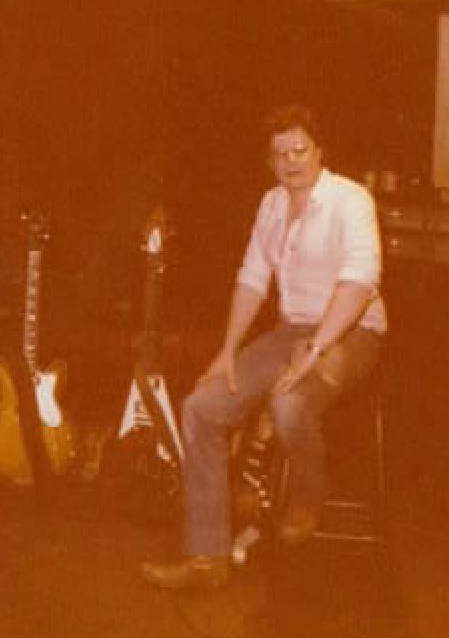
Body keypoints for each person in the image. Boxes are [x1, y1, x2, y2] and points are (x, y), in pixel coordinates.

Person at [142, 104, 387, 589]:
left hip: (352, 331)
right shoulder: (272, 205)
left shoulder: (351, 200)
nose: (292, 162)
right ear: (270, 161)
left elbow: (359, 284)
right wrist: (228, 351)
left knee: (288, 404)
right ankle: (207, 560)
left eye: (300, 150)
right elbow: (253, 279)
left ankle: (308, 495)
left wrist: (316, 348)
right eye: (281, 154)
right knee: (202, 407)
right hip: (291, 330)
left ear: (319, 151)